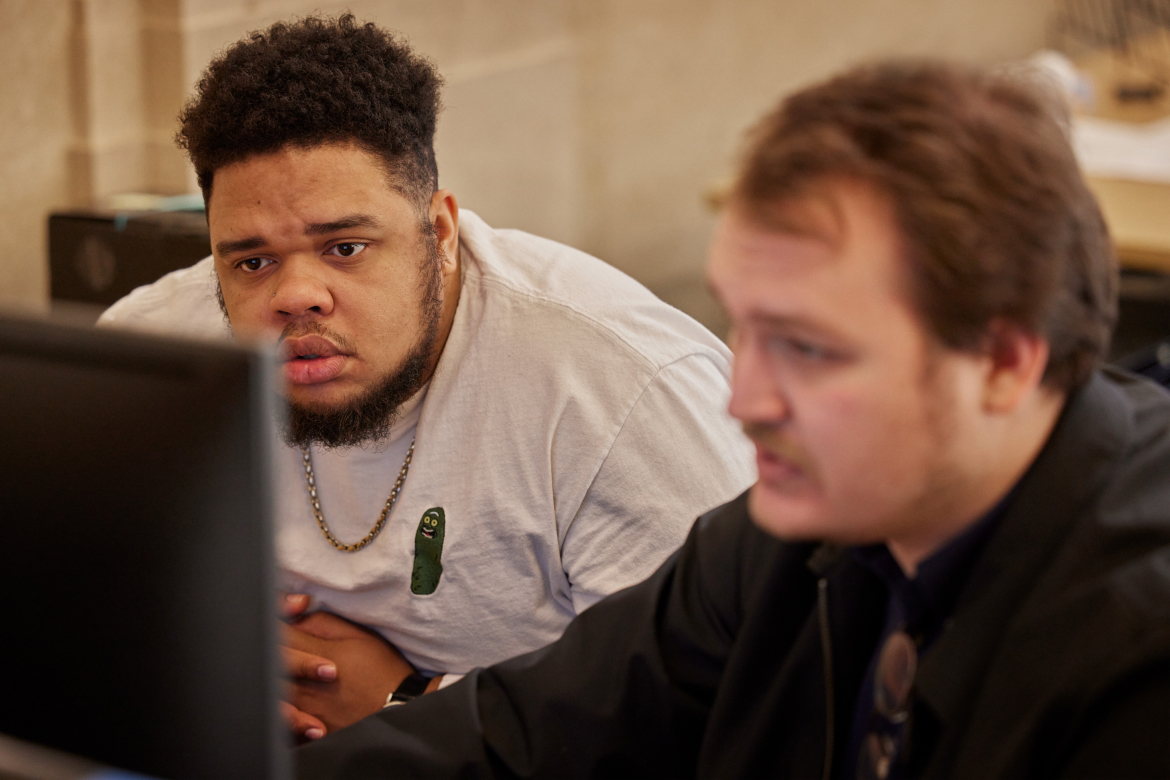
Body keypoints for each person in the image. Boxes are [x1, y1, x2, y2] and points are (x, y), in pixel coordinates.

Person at [294, 60, 1170, 779]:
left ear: (1005, 363)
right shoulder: (788, 539)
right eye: (742, 327)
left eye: (810, 349)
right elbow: (517, 738)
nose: (745, 398)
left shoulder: (1136, 651)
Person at [97, 15, 755, 741]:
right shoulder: (156, 349)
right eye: (251, 261)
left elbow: (713, 717)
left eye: (344, 246)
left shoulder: (622, 388)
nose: (295, 295)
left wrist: (410, 705)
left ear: (439, 232)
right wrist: (199, 652)